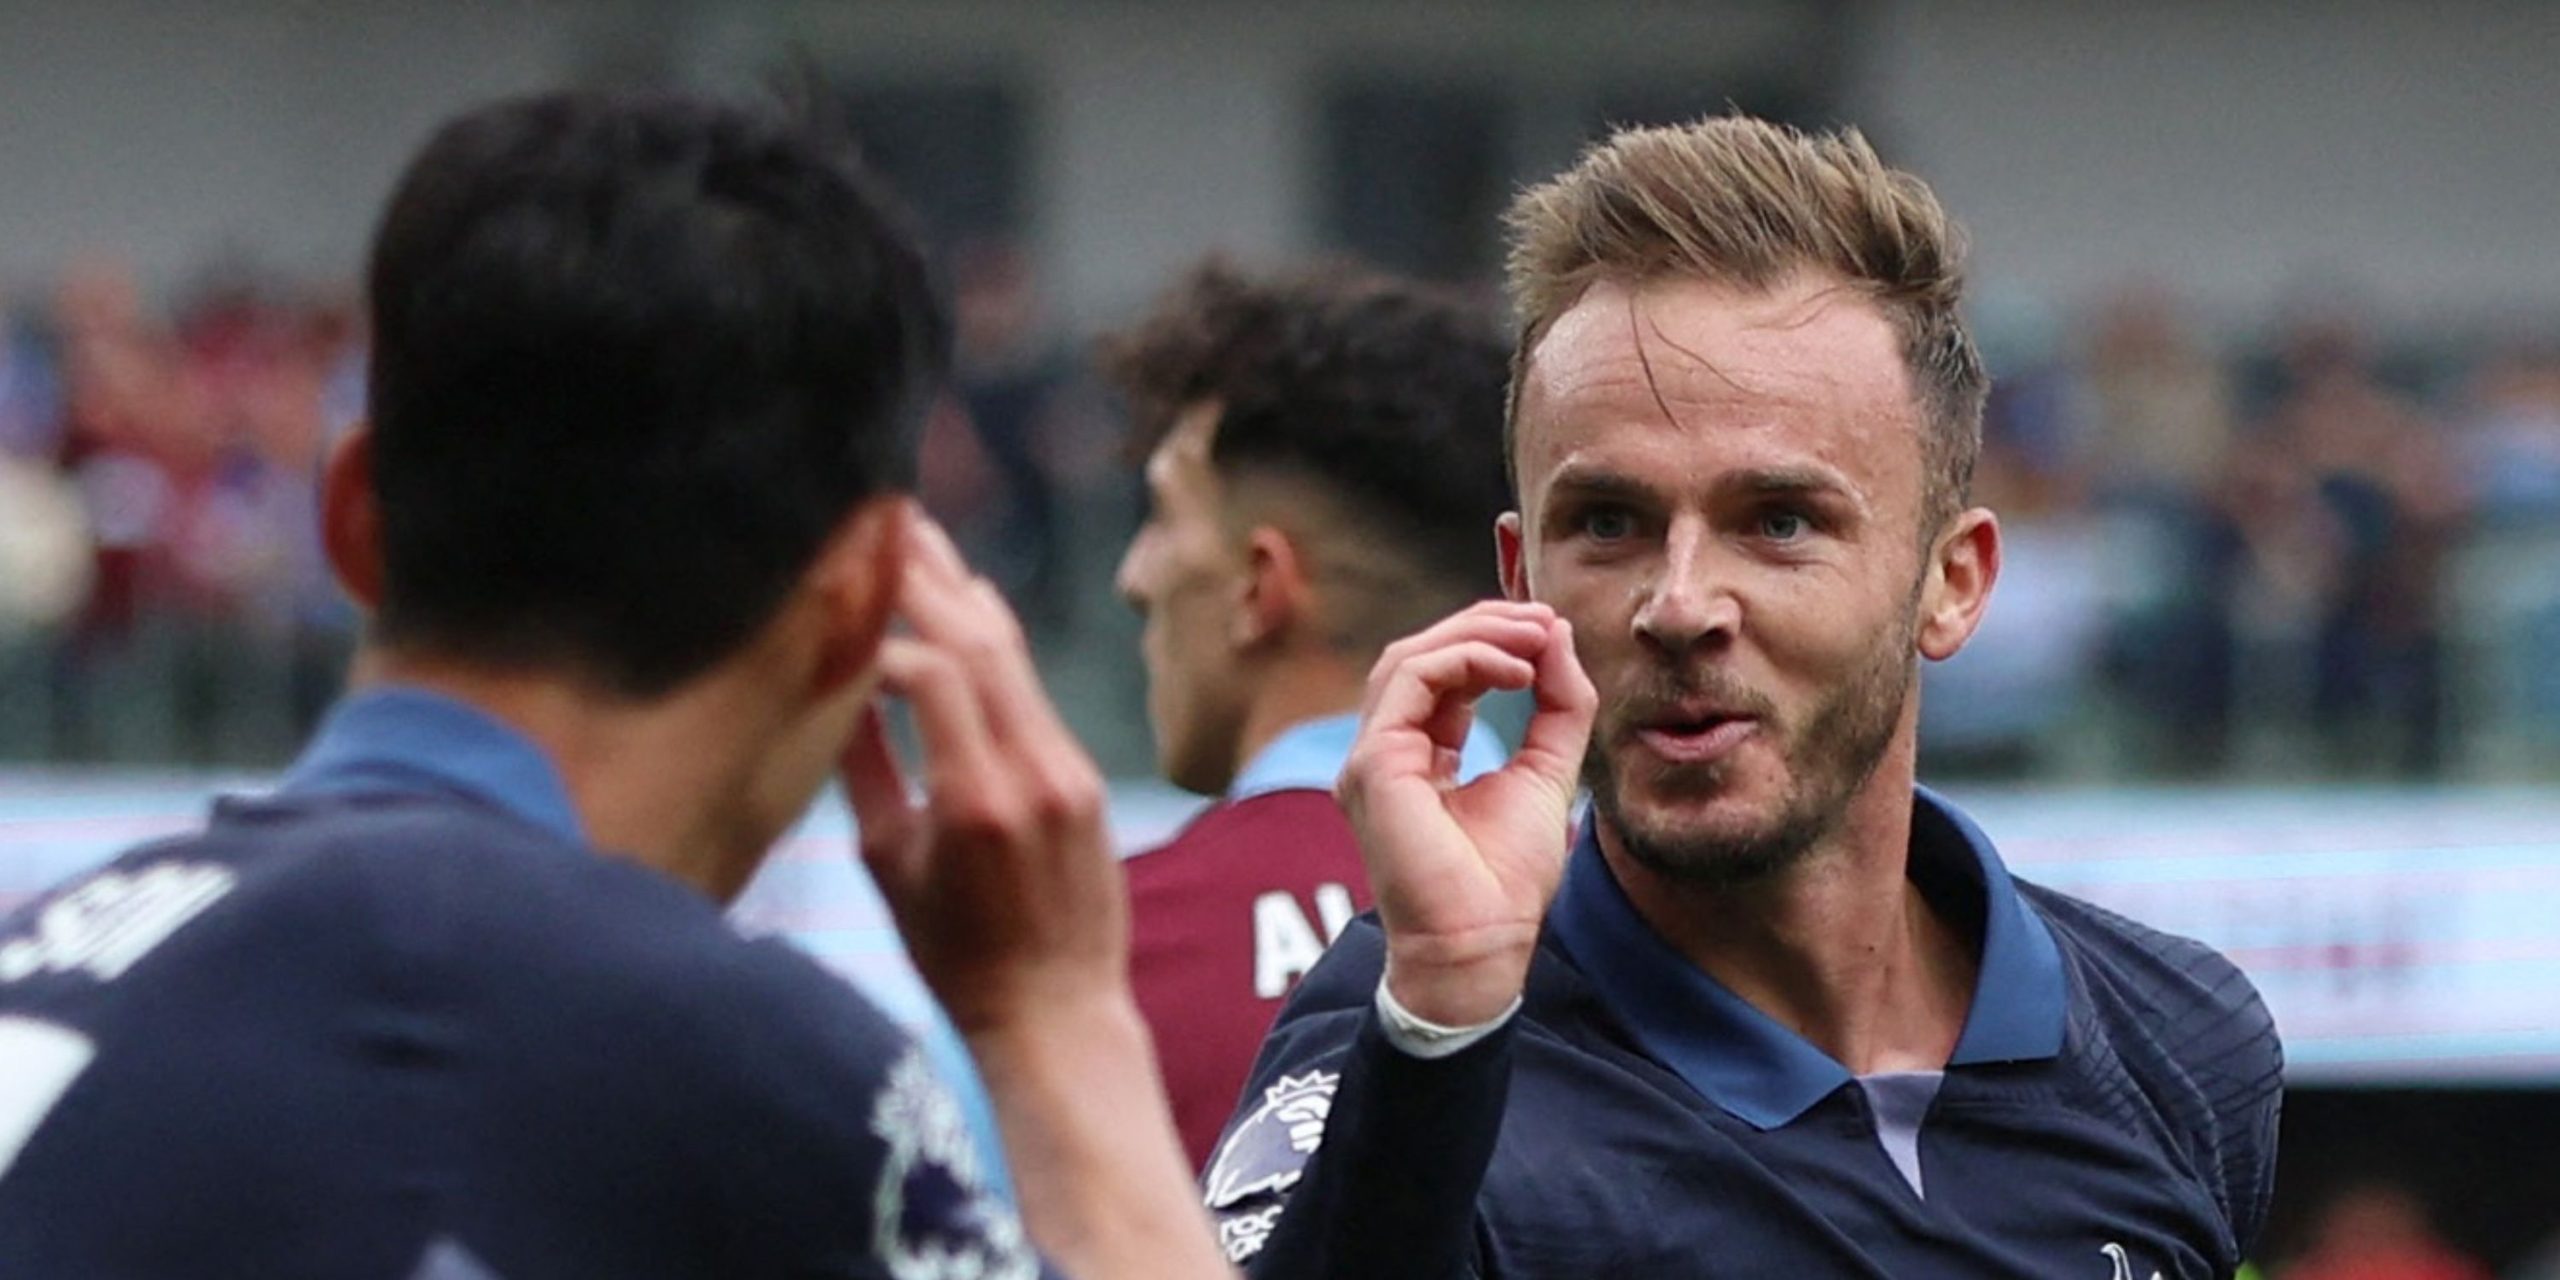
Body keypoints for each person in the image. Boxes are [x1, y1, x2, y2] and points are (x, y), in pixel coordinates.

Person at [0, 90, 1231, 1280]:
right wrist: (1052, 1016)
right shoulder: (752, 1080)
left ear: (351, 514)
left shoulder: (41, 959)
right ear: (865, 594)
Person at [1206, 115, 2285, 1276]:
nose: (1678, 604)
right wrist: (1443, 1017)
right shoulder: (1412, 1042)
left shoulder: (2177, 1041)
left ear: (1952, 580)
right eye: (1607, 522)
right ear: (1520, 580)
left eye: (1778, 521)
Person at [1098, 258, 1514, 1168]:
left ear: (1261, 588)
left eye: (1162, 515)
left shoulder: (1083, 968)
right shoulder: (1660, 939)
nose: (1135, 576)